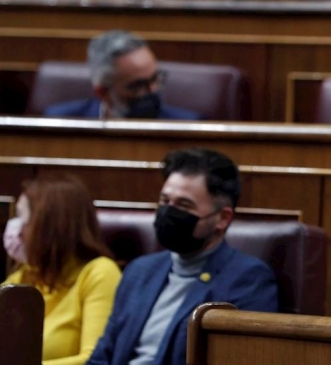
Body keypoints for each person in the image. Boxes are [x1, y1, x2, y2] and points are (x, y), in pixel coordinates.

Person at [86, 148, 278, 365]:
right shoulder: (139, 271)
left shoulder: (247, 280)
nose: (169, 212)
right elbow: (102, 356)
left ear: (222, 218)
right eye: (165, 201)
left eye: (184, 205)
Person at [2, 174, 121, 365]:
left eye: (21, 218)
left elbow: (93, 359)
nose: (15, 231)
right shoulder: (24, 275)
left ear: (49, 226)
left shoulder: (99, 273)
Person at [43, 30, 201, 120]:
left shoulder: (187, 125)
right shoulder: (62, 122)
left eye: (156, 78)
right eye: (137, 86)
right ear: (102, 92)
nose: (153, 90)